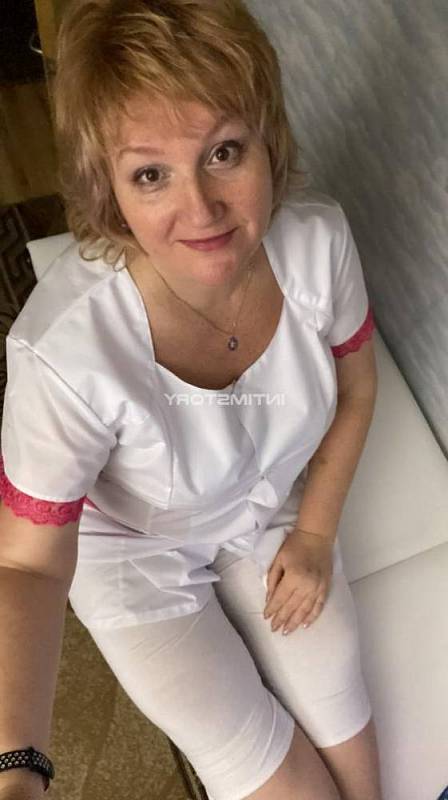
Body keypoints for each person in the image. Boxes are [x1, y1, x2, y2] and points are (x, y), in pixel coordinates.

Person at [0, 1, 383, 798]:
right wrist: (17, 768)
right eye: (151, 174)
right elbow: (27, 564)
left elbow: (356, 385)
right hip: (134, 558)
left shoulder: (318, 243)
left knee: (357, 763)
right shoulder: (62, 355)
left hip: (270, 508)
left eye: (223, 152)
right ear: (108, 191)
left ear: (268, 141)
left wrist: (316, 532)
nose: (201, 209)